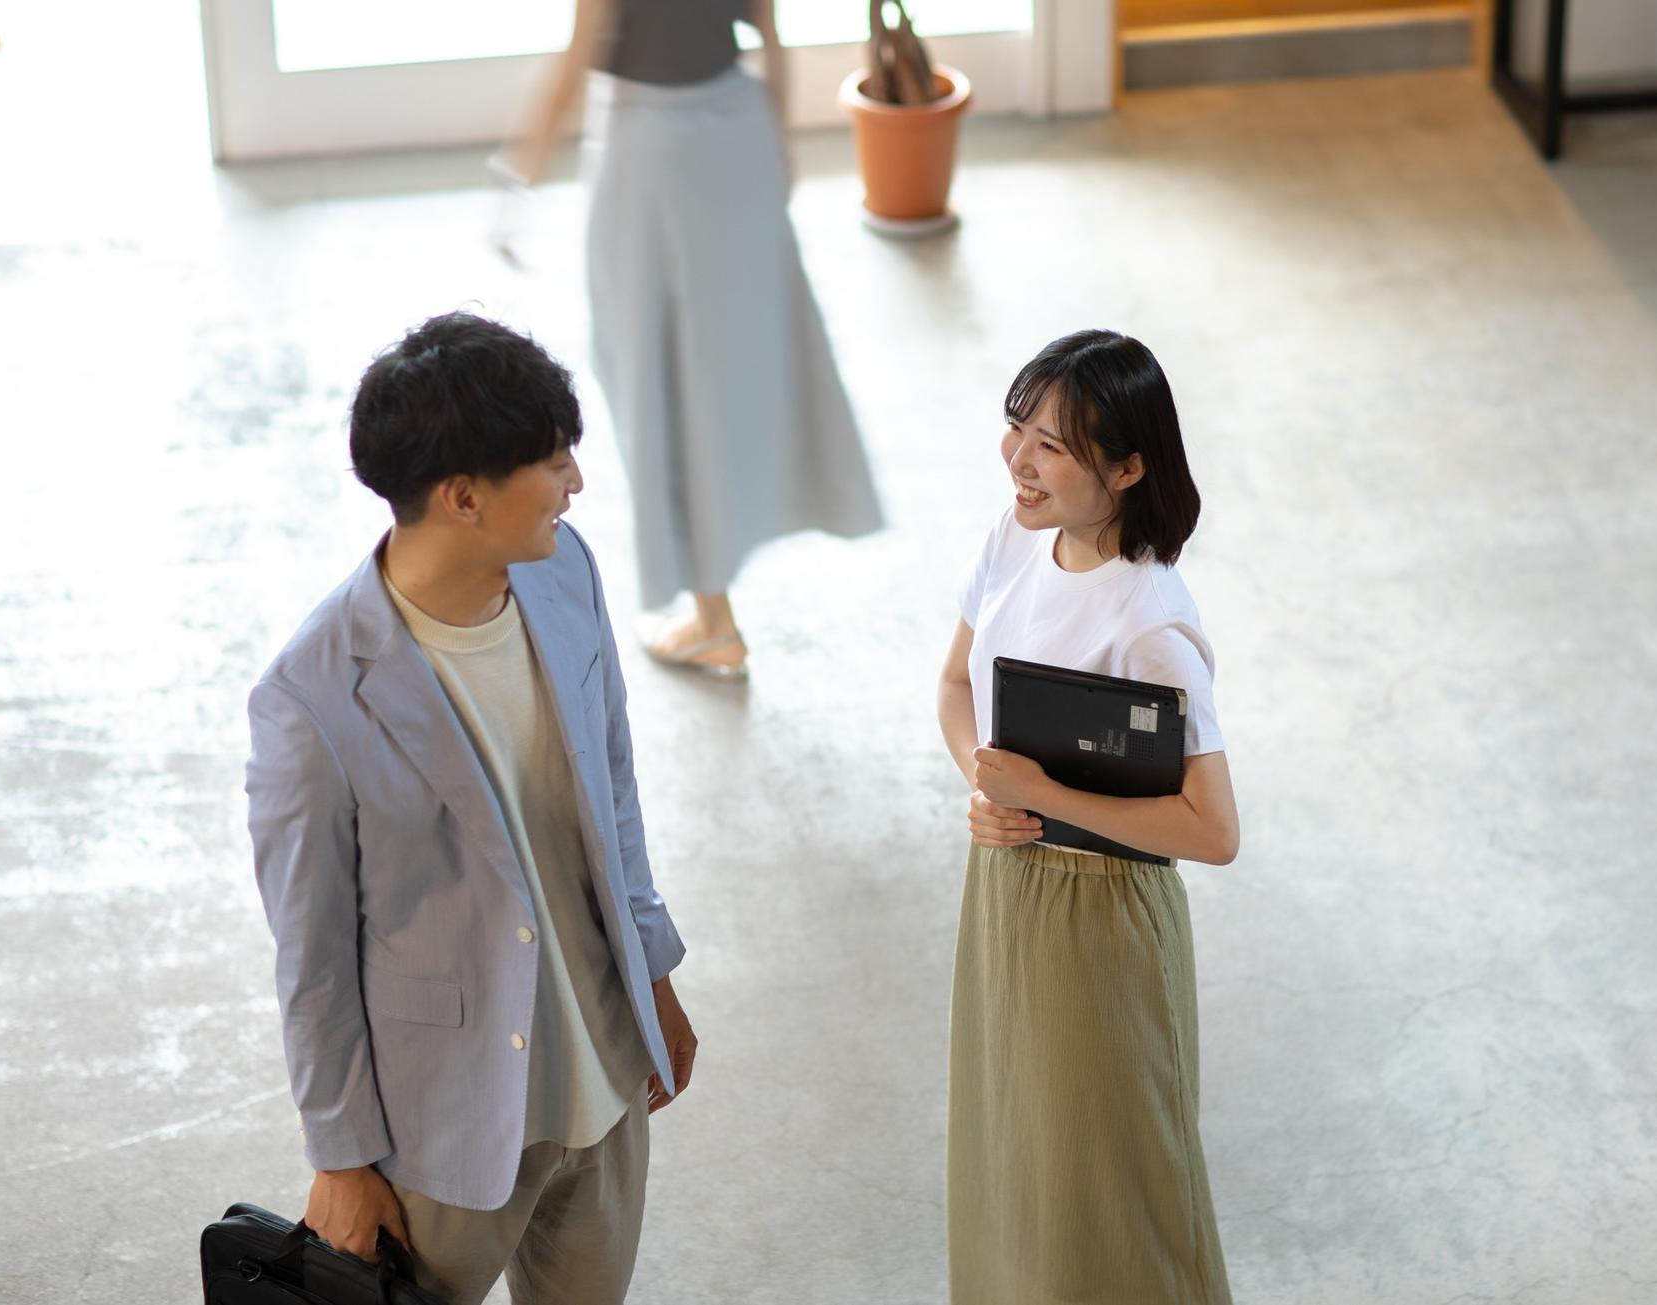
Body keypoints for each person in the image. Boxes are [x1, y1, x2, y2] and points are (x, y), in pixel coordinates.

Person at [245, 311, 698, 1305]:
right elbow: (311, 958)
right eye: (554, 460)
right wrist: (340, 1157)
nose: (576, 483)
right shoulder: (311, 697)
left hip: (605, 1073)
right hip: (447, 1128)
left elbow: (614, 790)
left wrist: (653, 973)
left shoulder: (564, 572)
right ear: (462, 497)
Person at [935, 330, 1239, 1304]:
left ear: (1128, 467)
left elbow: (1213, 830)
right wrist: (985, 787)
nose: (1019, 461)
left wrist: (1043, 795)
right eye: (1016, 429)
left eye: (1052, 446)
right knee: (1013, 1168)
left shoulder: (1150, 621)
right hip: (1003, 895)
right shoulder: (1013, 539)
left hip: (1106, 921)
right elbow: (956, 685)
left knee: (1117, 1193)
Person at [493, 0, 883, 679]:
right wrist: (777, 143)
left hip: (650, 147)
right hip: (739, 130)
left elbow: (578, 56)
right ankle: (722, 597)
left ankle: (712, 616)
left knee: (654, 369)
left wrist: (517, 174)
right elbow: (770, 33)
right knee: (742, 354)